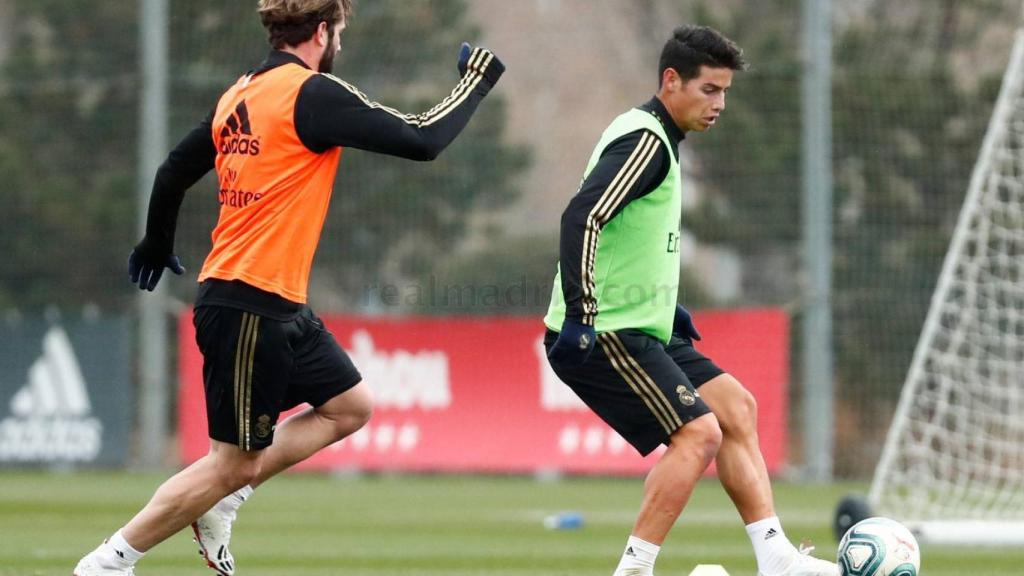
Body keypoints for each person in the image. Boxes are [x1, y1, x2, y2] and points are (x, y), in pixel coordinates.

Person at [73, 1, 504, 574]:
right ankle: (109, 561)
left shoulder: (241, 93)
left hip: (269, 302)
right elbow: (421, 139)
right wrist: (475, 85)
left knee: (349, 407)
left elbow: (173, 171)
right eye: (340, 33)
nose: (340, 45)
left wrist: (155, 242)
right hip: (250, 304)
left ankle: (223, 501)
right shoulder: (311, 92)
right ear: (322, 31)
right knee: (232, 462)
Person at [544, 25, 837, 576]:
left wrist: (661, 301)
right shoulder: (646, 142)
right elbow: (583, 217)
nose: (720, 104)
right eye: (709, 90)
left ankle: (776, 559)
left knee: (736, 408)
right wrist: (582, 314)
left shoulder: (659, 139)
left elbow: (633, 238)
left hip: (640, 325)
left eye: (725, 92)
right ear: (671, 81)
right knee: (698, 434)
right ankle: (634, 569)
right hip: (602, 332)